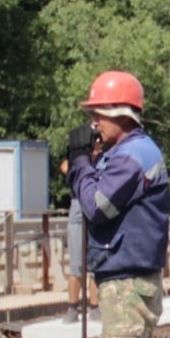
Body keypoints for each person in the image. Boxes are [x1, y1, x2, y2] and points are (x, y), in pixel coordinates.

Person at [70, 69, 170, 338]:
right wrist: (87, 165)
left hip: (127, 280)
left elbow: (97, 206)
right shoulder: (132, 153)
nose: (94, 125)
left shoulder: (132, 157)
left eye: (98, 116)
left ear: (120, 114)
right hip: (130, 275)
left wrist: (78, 166)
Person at [58, 122, 98, 316]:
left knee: (95, 263)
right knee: (77, 263)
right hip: (77, 206)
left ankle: (95, 306)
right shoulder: (78, 159)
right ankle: (73, 307)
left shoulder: (106, 159)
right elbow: (65, 167)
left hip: (97, 205)